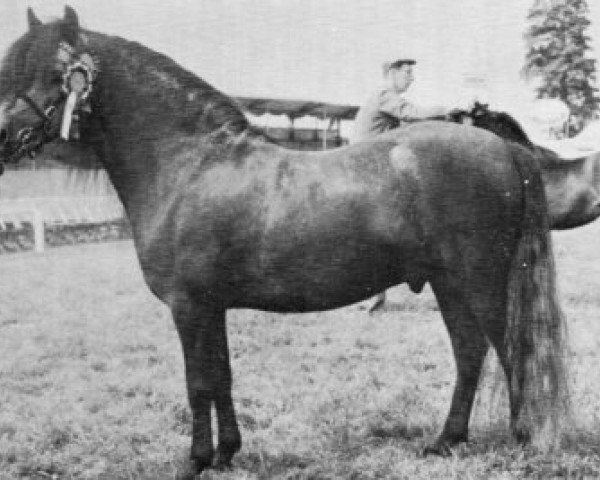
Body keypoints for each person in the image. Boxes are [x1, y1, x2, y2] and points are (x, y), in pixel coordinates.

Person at [352, 58, 453, 314]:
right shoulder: (385, 94)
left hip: (370, 169)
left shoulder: (384, 98)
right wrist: (449, 109)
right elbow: (412, 114)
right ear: (393, 73)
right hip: (367, 171)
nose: (412, 78)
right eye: (408, 73)